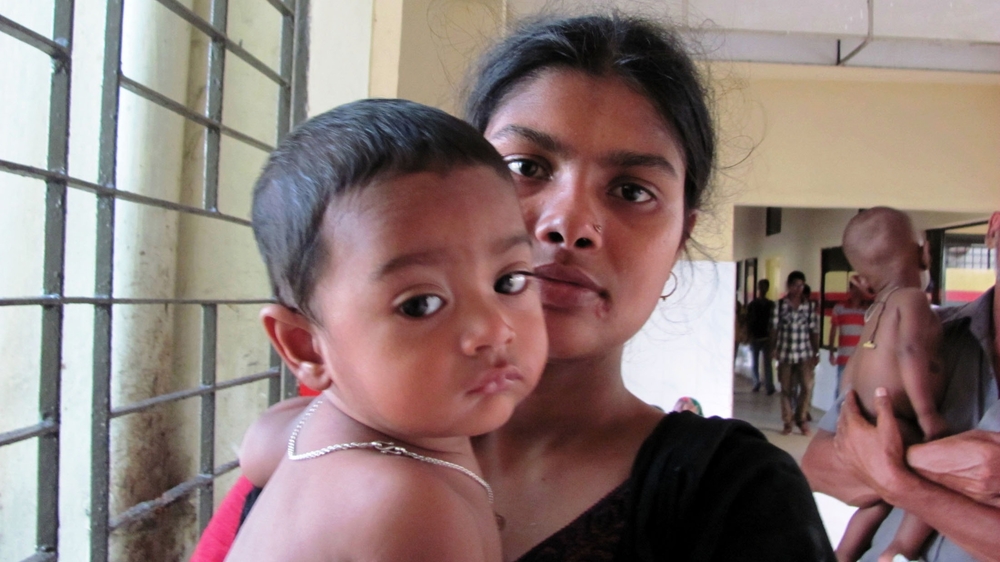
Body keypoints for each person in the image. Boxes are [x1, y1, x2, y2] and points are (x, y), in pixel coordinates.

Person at [196, 14, 836, 562]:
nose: (568, 224)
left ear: (679, 240)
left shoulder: (735, 498)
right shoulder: (321, 444)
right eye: (526, 167)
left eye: (632, 191)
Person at [226, 99, 548, 561]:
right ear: (306, 347)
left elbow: (259, 445)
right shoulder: (412, 505)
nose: (494, 329)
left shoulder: (300, 433)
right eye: (420, 305)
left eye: (509, 281)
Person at [802, 210, 1000, 562]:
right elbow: (817, 467)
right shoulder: (935, 331)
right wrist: (920, 462)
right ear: (995, 229)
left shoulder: (891, 315)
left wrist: (896, 478)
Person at [833, 208, 948, 562]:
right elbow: (909, 350)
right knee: (931, 481)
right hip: (900, 421)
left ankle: (843, 554)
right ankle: (901, 551)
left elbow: (854, 369)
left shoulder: (875, 312)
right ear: (924, 253)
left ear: (864, 281)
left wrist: (850, 411)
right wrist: (928, 415)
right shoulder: (911, 299)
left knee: (877, 500)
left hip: (868, 419)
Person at [771, 270, 820, 435]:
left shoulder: (809, 306)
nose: (799, 289)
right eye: (796, 285)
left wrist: (816, 351)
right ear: (789, 286)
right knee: (786, 389)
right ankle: (788, 421)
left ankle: (801, 418)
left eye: (801, 285)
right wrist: (773, 348)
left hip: (804, 353)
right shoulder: (780, 305)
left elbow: (814, 329)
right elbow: (774, 328)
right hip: (785, 353)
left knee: (806, 386)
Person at [829, 279, 869, 400]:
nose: (856, 292)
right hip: (844, 358)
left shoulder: (868, 311)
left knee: (859, 392)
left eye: (859, 289)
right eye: (854, 288)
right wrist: (831, 352)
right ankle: (837, 417)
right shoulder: (839, 308)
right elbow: (833, 331)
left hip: (861, 359)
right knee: (841, 390)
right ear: (849, 290)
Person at [745, 278, 776, 394]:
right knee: (756, 362)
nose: (763, 289)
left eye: (764, 287)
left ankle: (767, 385)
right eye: (761, 287)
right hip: (756, 336)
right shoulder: (754, 305)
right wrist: (749, 334)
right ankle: (757, 383)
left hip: (766, 337)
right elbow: (748, 321)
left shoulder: (769, 305)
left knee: (766, 362)